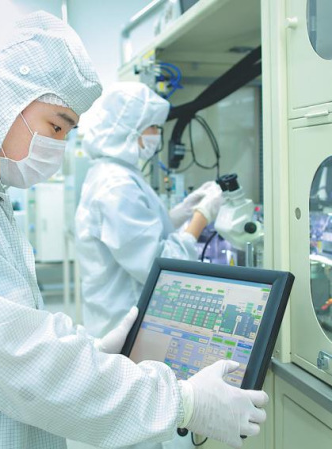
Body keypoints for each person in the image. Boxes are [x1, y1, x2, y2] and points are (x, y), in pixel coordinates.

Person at [0, 11, 268, 449]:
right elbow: (18, 357)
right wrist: (182, 404)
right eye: (56, 126)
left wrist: (90, 351)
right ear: (3, 99)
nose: (60, 148)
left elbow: (11, 324)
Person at [75, 82, 224, 339]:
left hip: (120, 317)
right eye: (153, 127)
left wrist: (182, 212)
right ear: (130, 129)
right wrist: (201, 217)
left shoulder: (114, 172)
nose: (157, 134)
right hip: (125, 326)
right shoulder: (116, 185)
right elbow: (158, 264)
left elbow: (138, 232)